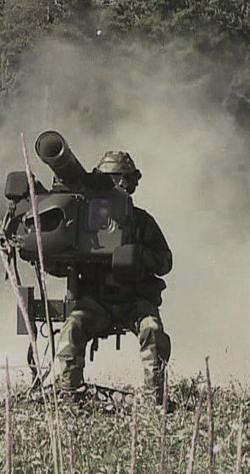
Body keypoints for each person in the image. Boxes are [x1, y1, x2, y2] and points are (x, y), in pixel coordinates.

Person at [52, 150, 174, 407]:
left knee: (152, 331)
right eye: (111, 180)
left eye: (123, 180)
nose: (119, 186)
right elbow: (61, 267)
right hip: (97, 303)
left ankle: (154, 398)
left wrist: (139, 256)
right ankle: (70, 393)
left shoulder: (141, 221)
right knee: (72, 328)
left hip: (135, 301)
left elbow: (165, 262)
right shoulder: (84, 222)